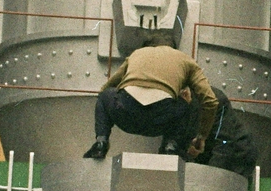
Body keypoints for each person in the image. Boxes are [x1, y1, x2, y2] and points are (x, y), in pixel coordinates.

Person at [83, 34, 219, 160]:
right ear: (173, 48)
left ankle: (101, 142)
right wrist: (201, 137)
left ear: (148, 46)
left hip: (126, 113)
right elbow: (210, 101)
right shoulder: (185, 60)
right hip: (161, 119)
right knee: (186, 104)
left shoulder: (137, 54)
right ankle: (170, 148)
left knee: (105, 96)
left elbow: (106, 88)